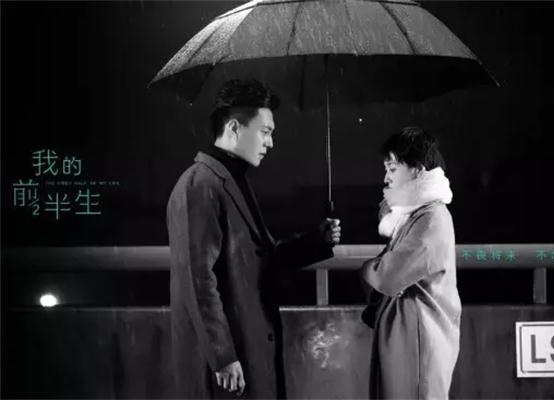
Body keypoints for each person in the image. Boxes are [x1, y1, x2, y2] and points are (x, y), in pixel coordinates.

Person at [167, 79, 341, 399]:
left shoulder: (230, 179)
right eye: (265, 131)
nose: (270, 143)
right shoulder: (200, 185)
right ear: (234, 128)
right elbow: (198, 280)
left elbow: (263, 259)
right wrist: (222, 356)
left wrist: (318, 241)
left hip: (247, 350)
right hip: (226, 366)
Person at [360, 127, 461, 399]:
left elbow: (387, 276)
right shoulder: (414, 216)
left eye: (393, 169)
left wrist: (367, 268)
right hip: (409, 339)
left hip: (418, 343)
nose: (386, 178)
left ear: (417, 170)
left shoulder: (432, 218)